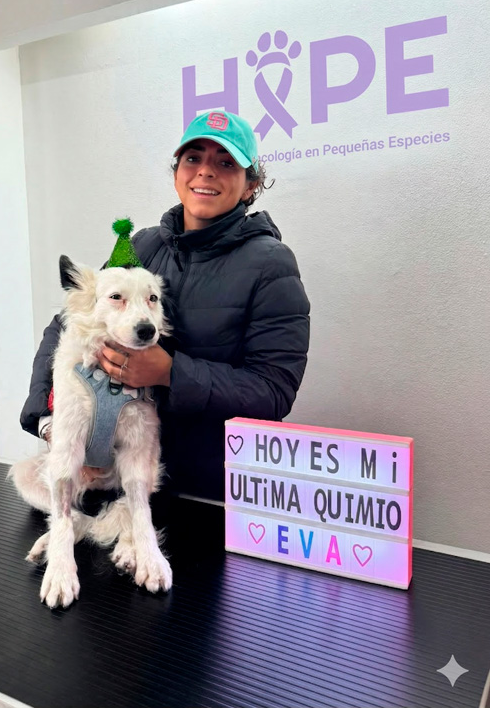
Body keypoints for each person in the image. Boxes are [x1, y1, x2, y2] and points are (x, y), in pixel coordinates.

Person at [20, 110, 310, 502]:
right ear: (177, 174)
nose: (205, 172)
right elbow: (66, 326)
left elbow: (273, 391)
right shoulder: (143, 247)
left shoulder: (271, 265)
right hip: (112, 478)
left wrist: (170, 373)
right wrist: (47, 418)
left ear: (249, 185)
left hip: (205, 493)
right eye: (193, 158)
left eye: (226, 163)